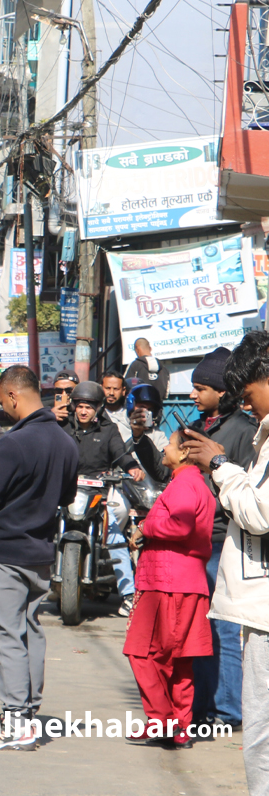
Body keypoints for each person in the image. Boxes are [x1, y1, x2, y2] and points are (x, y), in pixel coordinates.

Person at [0, 365, 79, 751]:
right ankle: (26, 713)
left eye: (0, 399)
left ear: (13, 395)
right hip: (39, 552)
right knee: (30, 631)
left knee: (7, 637)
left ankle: (16, 721)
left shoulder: (14, 443)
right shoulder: (66, 443)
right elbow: (65, 497)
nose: (0, 408)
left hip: (5, 552)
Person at [183, 330, 269, 793]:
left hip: (258, 594)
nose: (247, 403)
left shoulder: (247, 434)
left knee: (261, 732)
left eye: (248, 392)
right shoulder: (254, 431)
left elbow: (258, 512)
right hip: (251, 587)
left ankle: (226, 709)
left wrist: (219, 466)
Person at [124, 427, 215, 749]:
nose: (164, 450)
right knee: (180, 659)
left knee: (144, 652)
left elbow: (180, 525)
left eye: (170, 445)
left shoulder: (185, 484)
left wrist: (147, 525)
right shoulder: (194, 484)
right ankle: (179, 726)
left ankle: (162, 720)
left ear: (185, 452)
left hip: (167, 583)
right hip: (185, 582)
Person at [182, 347, 255, 735]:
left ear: (222, 391)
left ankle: (227, 711)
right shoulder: (197, 427)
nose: (193, 394)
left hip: (223, 542)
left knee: (224, 629)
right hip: (193, 543)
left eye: (200, 388)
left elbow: (242, 490)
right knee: (199, 629)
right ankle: (202, 705)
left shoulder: (242, 431)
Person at [66, 380, 144, 615]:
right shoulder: (63, 427)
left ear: (98, 408)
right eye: (80, 406)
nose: (83, 411)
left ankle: (128, 594)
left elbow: (121, 453)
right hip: (67, 490)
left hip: (99, 491)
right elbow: (48, 448)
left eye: (89, 407)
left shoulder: (109, 430)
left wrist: (132, 467)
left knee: (112, 532)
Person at [102, 371, 132, 441]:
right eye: (108, 388)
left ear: (123, 391)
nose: (111, 393)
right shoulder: (95, 413)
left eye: (116, 389)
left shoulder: (131, 413)